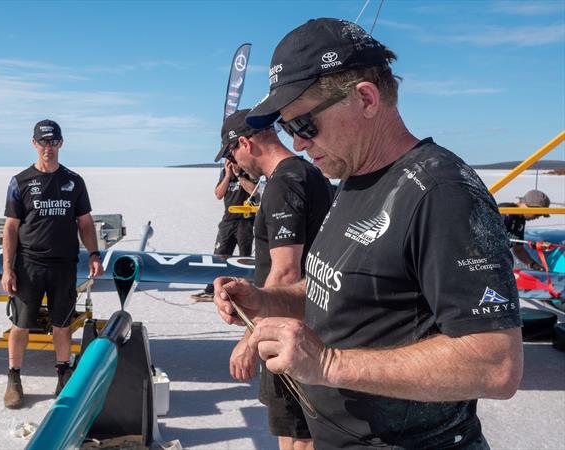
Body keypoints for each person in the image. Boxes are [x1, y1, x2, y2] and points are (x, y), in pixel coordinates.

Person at [213, 18, 523, 449]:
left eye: (304, 125)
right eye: (287, 130)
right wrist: (266, 300)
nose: (298, 144)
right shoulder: (354, 178)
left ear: (365, 98)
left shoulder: (441, 193)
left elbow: (495, 364)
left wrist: (327, 362)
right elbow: (338, 291)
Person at [214, 109, 333, 450]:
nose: (235, 163)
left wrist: (249, 340)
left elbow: (286, 271)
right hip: (311, 322)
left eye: (231, 154)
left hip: (290, 331)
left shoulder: (284, 181)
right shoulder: (309, 174)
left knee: (298, 437)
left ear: (245, 143)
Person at [1, 119, 103, 409]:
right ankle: (14, 378)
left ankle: (62, 374)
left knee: (62, 324)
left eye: (53, 141)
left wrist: (94, 254)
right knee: (21, 325)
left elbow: (84, 222)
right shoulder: (20, 182)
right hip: (29, 265)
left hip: (64, 265)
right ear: (34, 143)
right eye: (43, 142)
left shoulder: (74, 181)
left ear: (61, 143)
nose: (48, 147)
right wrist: (8, 268)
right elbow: (10, 228)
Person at [190, 158, 257, 301]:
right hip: (228, 221)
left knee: (244, 258)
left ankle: (244, 290)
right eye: (229, 160)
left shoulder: (249, 172)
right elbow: (218, 194)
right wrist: (227, 175)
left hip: (245, 222)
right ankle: (211, 289)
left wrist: (239, 175)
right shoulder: (225, 173)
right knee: (219, 256)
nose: (232, 163)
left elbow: (254, 191)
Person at [499, 189, 550, 271]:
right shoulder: (505, 212)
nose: (537, 217)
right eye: (538, 213)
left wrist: (533, 265)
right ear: (527, 205)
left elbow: (518, 249)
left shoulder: (520, 220)